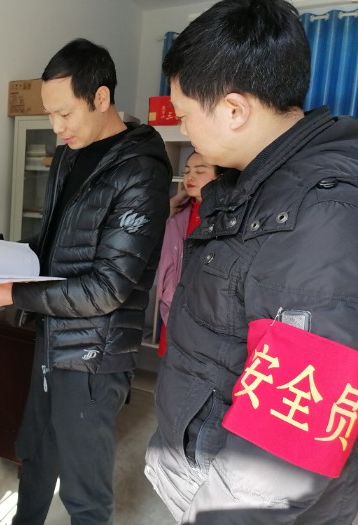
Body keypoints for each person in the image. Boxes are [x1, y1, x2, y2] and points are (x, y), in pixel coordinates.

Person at [144, 1, 358, 524]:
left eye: (185, 115)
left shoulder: (319, 216)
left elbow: (284, 450)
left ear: (234, 109)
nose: (185, 130)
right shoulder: (253, 184)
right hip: (200, 465)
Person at [0, 38, 172, 525]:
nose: (56, 126)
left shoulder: (141, 172)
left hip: (93, 354)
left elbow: (109, 288)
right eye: (49, 114)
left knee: (84, 491)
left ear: (101, 97)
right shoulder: (69, 155)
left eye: (64, 113)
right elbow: (52, 244)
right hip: (53, 334)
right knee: (36, 454)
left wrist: (16, 294)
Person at [156, 151, 220, 356]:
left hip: (205, 311)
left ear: (220, 177)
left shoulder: (225, 216)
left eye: (200, 171)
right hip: (174, 304)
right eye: (187, 171)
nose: (190, 177)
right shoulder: (178, 213)